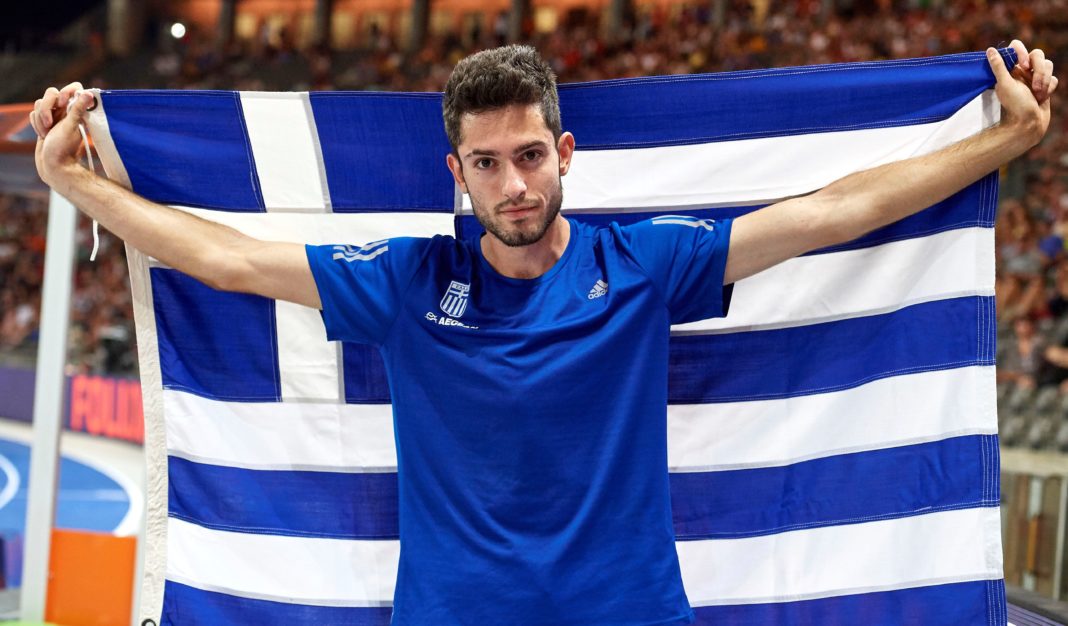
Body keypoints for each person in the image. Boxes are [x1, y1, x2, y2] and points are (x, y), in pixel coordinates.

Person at [31, 41, 1057, 625]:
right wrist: (71, 182)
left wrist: (1007, 137)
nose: (513, 184)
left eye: (529, 155)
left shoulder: (642, 264)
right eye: (487, 164)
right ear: (458, 173)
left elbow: (831, 213)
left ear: (564, 152)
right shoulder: (408, 280)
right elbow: (226, 260)